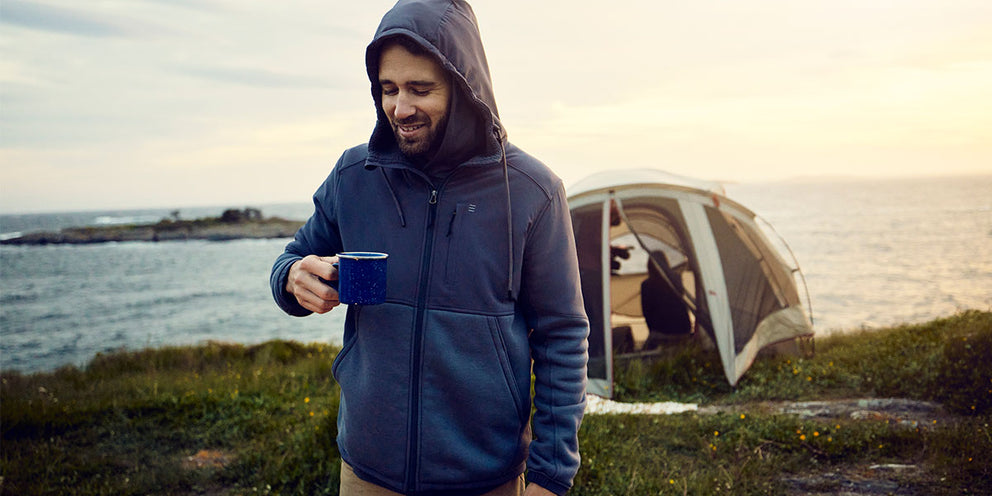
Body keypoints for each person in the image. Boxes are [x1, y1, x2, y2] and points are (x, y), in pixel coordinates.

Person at [269, 1, 589, 495]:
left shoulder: (532, 190)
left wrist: (550, 476)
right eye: (388, 89)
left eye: (421, 89)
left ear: (465, 89)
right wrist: (292, 280)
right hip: (366, 473)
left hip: (485, 479)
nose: (400, 107)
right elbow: (293, 259)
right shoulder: (355, 176)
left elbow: (562, 337)